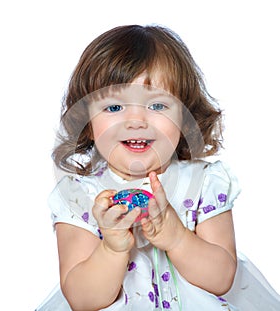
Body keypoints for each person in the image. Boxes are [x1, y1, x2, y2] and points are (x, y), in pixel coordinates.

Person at [44, 25, 280, 311]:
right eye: (114, 108)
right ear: (88, 124)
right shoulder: (79, 197)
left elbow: (222, 278)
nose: (136, 120)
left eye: (157, 105)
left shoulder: (204, 184)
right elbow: (82, 300)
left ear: (184, 117)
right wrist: (112, 248)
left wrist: (178, 238)